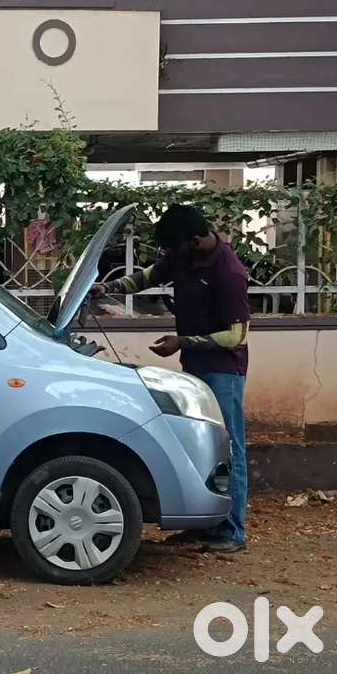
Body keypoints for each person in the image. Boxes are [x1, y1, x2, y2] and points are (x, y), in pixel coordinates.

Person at [90, 204, 250, 554]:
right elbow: (147, 277)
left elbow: (237, 335)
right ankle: (204, 525)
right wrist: (108, 286)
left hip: (223, 370)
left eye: (173, 246)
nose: (169, 254)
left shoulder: (228, 272)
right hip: (195, 365)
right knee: (200, 445)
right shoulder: (182, 256)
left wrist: (183, 341)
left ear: (194, 240)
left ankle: (232, 530)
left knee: (229, 447)